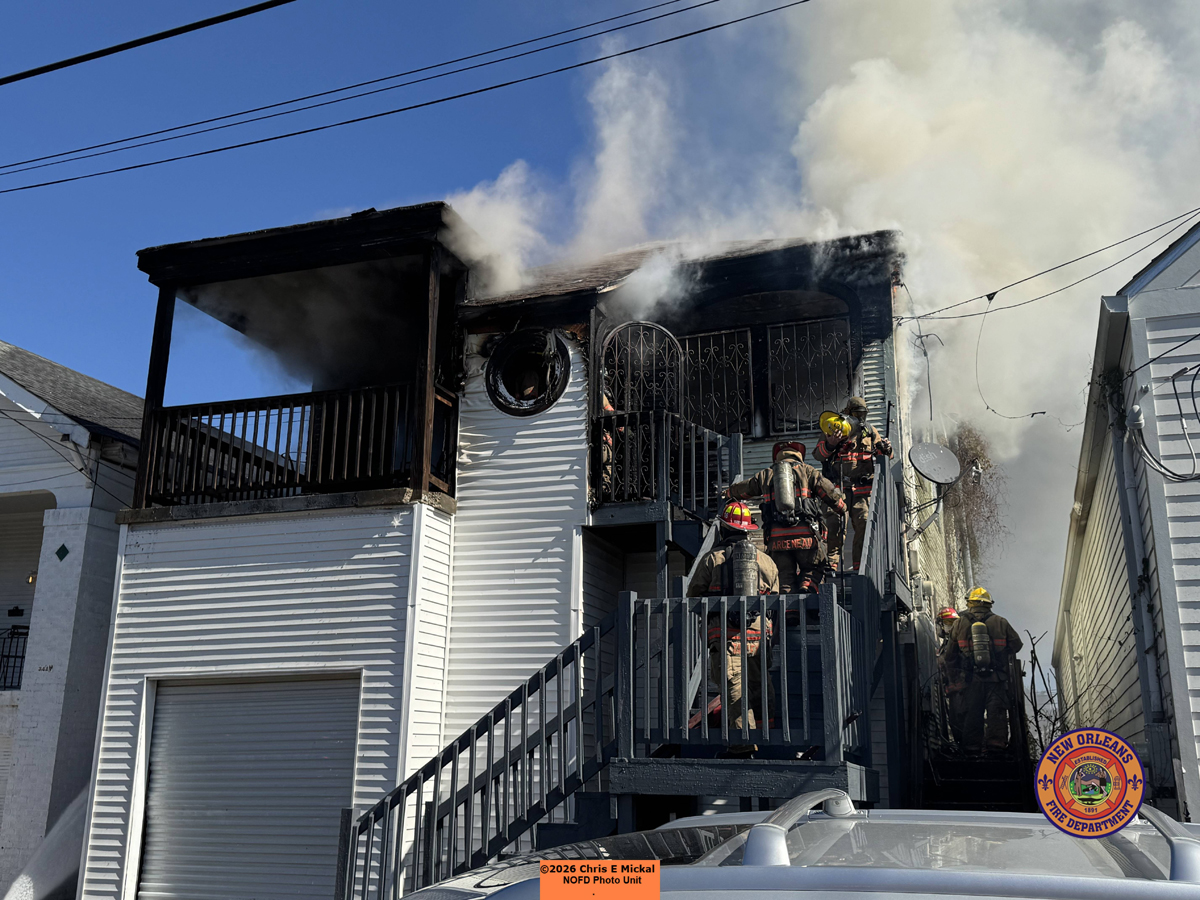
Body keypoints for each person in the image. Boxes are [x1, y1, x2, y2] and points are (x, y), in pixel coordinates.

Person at [688, 500, 779, 740]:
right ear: (748, 531)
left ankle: (743, 745)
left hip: (726, 640)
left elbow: (693, 598)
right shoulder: (767, 562)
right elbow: (775, 602)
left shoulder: (712, 559)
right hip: (759, 639)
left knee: (735, 690)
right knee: (760, 687)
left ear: (724, 529)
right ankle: (767, 738)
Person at [724, 441, 846, 593]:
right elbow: (828, 492)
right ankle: (807, 588)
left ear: (777, 457)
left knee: (784, 577)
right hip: (806, 538)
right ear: (799, 456)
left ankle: (789, 603)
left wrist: (728, 493)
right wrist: (841, 507)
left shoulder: (765, 475)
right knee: (812, 569)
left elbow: (745, 489)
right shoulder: (808, 471)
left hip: (777, 539)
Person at [814, 397, 893, 572]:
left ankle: (860, 568)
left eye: (863, 414)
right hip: (838, 488)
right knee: (834, 525)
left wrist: (886, 449)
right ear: (848, 412)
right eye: (857, 413)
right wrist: (831, 444)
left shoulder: (870, 431)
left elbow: (885, 455)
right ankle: (832, 565)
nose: (860, 418)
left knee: (864, 524)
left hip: (862, 490)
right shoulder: (834, 428)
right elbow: (818, 455)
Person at [944, 587, 1023, 756]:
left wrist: (954, 677)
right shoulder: (1001, 622)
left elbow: (950, 655)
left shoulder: (959, 623)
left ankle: (972, 749)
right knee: (996, 712)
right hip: (996, 678)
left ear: (970, 604)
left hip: (971, 679)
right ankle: (996, 747)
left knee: (973, 712)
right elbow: (1017, 645)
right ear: (989, 604)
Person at [935, 607, 966, 745]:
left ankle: (967, 748)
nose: (951, 625)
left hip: (961, 690)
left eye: (953, 622)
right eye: (948, 622)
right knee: (954, 721)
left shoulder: (958, 641)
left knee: (961, 720)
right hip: (953, 689)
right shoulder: (947, 644)